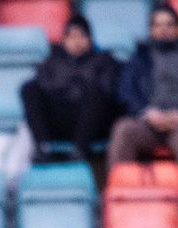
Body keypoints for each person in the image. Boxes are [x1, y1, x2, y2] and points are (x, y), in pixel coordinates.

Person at [107, 3, 178, 216]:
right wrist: (146, 112)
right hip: (148, 123)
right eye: (158, 25)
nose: (164, 29)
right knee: (123, 130)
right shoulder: (139, 57)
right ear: (151, 30)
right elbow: (125, 92)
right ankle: (118, 202)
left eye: (169, 24)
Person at [20, 14, 119, 164]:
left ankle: (80, 150)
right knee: (29, 88)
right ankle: (43, 147)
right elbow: (44, 87)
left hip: (91, 125)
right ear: (64, 40)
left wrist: (73, 87)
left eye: (82, 36)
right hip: (60, 119)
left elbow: (108, 90)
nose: (77, 42)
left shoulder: (104, 61)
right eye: (72, 37)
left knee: (95, 96)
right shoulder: (52, 61)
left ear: (90, 39)